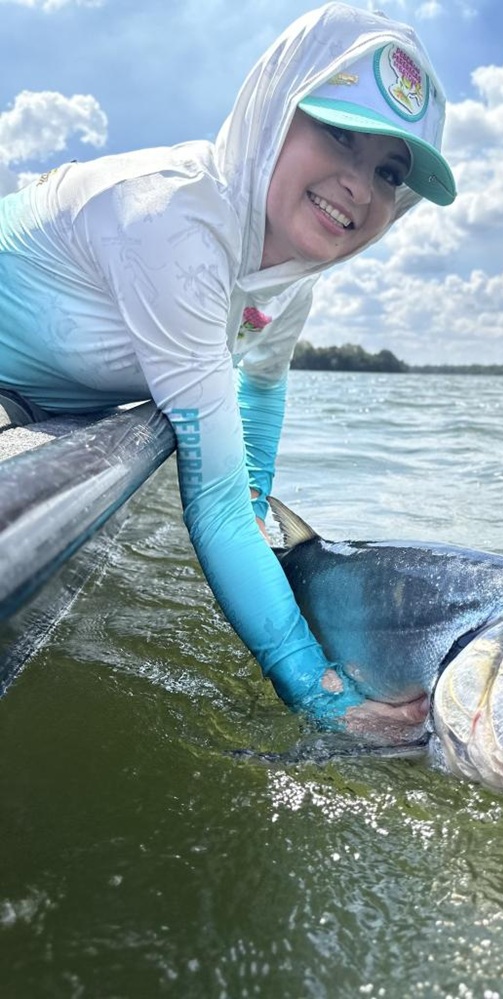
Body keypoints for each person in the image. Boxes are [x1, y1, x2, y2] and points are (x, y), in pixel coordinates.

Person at [0, 3, 456, 738]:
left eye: (389, 170)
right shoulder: (174, 220)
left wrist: (253, 504)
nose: (360, 186)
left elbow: (263, 386)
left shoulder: (286, 277)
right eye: (339, 133)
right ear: (275, 110)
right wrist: (323, 695)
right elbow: (206, 504)